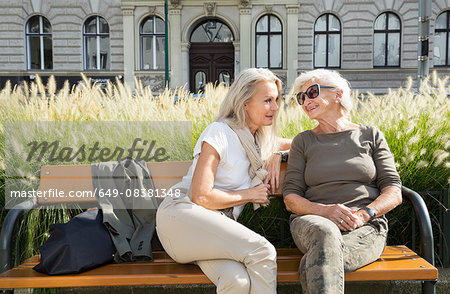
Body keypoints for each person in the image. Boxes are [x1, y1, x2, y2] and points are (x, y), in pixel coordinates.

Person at [156, 68, 291, 294]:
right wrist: (250, 194)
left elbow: (302, 142)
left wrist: (279, 154)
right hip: (181, 218)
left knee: (236, 282)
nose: (275, 108)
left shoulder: (258, 142)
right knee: (263, 252)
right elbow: (201, 196)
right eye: (267, 100)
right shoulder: (219, 132)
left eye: (276, 100)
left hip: (212, 230)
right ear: (244, 103)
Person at [283, 69, 402, 294]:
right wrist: (325, 212)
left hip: (365, 227)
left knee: (318, 261)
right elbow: (291, 198)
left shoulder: (370, 135)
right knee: (325, 235)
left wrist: (364, 215)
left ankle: (317, 262)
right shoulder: (303, 141)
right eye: (301, 97)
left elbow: (393, 191)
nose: (306, 101)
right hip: (313, 223)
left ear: (338, 95)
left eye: (312, 92)